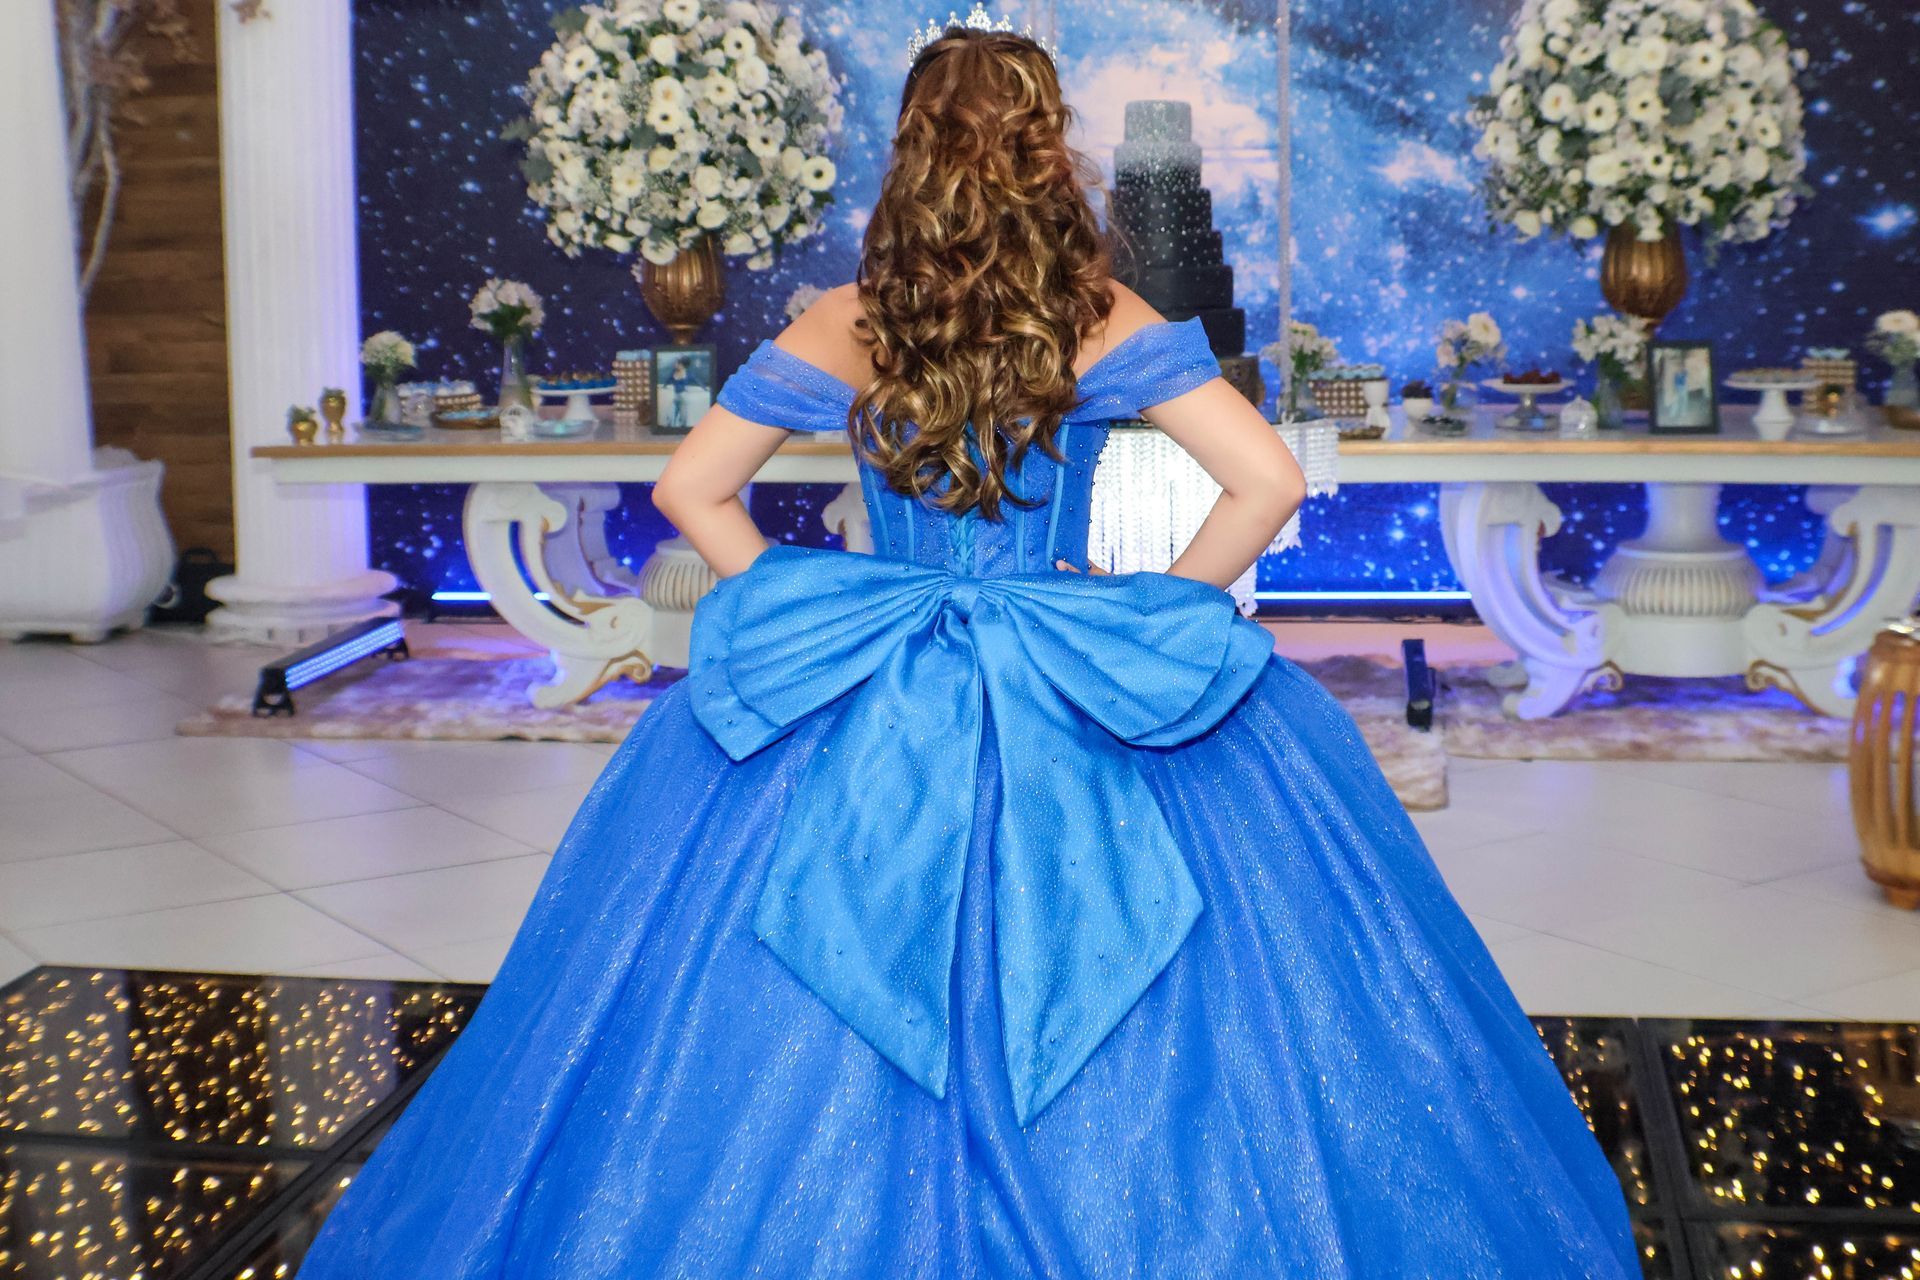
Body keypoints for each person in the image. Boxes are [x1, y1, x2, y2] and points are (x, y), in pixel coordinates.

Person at [292, 22, 1639, 1280]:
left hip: (884, 654)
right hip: (1064, 650)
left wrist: (817, 604)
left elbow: (689, 494)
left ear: (912, 151)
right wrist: (1147, 613)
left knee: (762, 982)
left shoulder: (846, 318)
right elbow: (1270, 486)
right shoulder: (1102, 314)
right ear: (1050, 153)